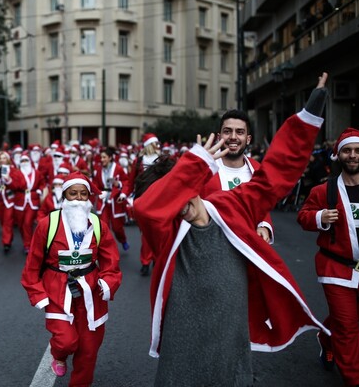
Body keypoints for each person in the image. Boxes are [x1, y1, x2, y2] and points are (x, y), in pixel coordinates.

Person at [133, 73, 330, 385]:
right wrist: (193, 165)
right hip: (182, 338)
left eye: (179, 193)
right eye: (170, 195)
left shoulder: (229, 206)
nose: (177, 203)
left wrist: (309, 114)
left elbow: (276, 173)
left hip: (230, 329)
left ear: (193, 186)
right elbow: (145, 208)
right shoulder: (167, 232)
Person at [21, 171, 122, 387]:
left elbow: (111, 261)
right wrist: (37, 293)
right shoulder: (47, 224)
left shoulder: (98, 225)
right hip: (57, 291)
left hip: (91, 293)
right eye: (73, 193)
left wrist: (108, 282)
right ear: (64, 196)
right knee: (66, 341)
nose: (78, 198)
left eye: (83, 194)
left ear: (89, 197)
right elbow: (32, 265)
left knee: (88, 350)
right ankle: (59, 354)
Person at [297, 127, 359, 386]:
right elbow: (303, 216)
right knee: (347, 329)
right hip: (336, 269)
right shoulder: (323, 191)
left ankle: (326, 337)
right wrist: (320, 217)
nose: (353, 155)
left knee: (346, 319)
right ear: (338, 155)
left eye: (358, 150)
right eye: (347, 150)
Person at [200, 109, 274, 244]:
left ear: (248, 138)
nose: (233, 137)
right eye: (227, 131)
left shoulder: (258, 169)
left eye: (240, 132)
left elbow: (263, 206)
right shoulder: (204, 169)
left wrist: (264, 226)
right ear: (219, 137)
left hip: (249, 252)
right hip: (212, 249)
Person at [126, 133, 164, 276]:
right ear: (150, 144)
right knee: (145, 233)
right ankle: (146, 261)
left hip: (159, 200)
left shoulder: (161, 160)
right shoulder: (139, 161)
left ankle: (156, 258)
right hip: (143, 199)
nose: (158, 146)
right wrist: (127, 195)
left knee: (158, 231)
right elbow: (131, 180)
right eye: (156, 143)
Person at [93, 146, 130, 251]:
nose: (102, 159)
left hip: (115, 200)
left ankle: (123, 240)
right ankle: (107, 249)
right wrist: (98, 192)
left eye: (104, 157)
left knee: (117, 228)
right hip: (104, 200)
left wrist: (119, 185)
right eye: (101, 157)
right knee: (103, 226)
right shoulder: (99, 169)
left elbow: (126, 182)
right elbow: (96, 183)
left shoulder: (118, 168)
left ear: (110, 158)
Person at [13, 153, 45, 254]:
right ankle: (26, 242)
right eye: (22, 161)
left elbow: (42, 183)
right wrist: (8, 180)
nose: (24, 163)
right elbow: (13, 186)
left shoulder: (36, 172)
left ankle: (28, 245)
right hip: (20, 200)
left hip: (33, 200)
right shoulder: (16, 173)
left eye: (26, 160)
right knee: (21, 224)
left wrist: (39, 190)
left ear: (29, 161)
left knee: (27, 223)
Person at [0, 151, 23, 254]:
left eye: (4, 158)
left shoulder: (14, 171)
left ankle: (6, 242)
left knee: (7, 220)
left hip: (10, 199)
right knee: (2, 221)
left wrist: (8, 180)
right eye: (0, 158)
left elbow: (16, 186)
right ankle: (9, 237)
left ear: (8, 159)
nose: (2, 160)